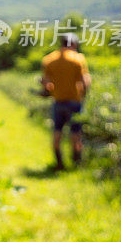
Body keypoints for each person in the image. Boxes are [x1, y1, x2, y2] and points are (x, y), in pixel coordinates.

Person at [40, 32, 91, 169]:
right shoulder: (78, 59)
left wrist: (50, 91)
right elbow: (85, 81)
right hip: (75, 101)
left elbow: (46, 83)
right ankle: (77, 163)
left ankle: (59, 162)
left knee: (57, 132)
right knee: (76, 133)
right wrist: (84, 96)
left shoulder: (49, 59)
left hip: (58, 101)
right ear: (74, 44)